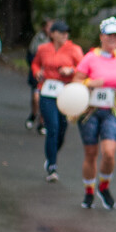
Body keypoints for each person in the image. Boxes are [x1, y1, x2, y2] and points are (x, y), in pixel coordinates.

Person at [75, 17, 116, 209]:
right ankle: (89, 192)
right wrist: (89, 83)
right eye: (109, 35)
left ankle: (104, 186)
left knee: (109, 153)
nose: (112, 39)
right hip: (90, 110)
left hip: (112, 111)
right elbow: (76, 81)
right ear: (101, 36)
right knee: (90, 153)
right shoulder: (90, 57)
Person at [31, 21, 83, 182]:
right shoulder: (43, 49)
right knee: (52, 127)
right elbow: (35, 63)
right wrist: (36, 72)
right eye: (61, 32)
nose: (65, 35)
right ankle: (52, 165)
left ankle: (52, 153)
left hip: (66, 93)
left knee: (61, 129)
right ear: (52, 34)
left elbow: (83, 68)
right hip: (47, 91)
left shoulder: (74, 50)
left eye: (66, 32)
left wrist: (71, 70)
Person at [25, 17, 53, 131]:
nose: (50, 29)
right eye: (48, 27)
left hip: (50, 75)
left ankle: (42, 122)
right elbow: (31, 55)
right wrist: (37, 68)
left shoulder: (55, 41)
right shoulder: (38, 39)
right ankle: (33, 114)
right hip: (38, 74)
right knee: (36, 97)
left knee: (45, 97)